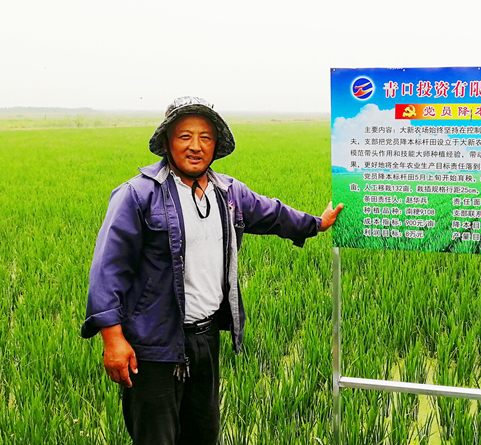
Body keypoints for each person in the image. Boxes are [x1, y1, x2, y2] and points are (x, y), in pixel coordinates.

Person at [81, 96, 343, 445]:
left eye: (205, 137)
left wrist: (315, 224)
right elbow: (108, 268)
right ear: (167, 142)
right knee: (156, 438)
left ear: (215, 145)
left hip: (204, 339)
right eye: (184, 136)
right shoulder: (138, 195)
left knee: (203, 434)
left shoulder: (228, 192)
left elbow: (272, 214)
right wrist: (112, 339)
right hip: (152, 346)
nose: (196, 146)